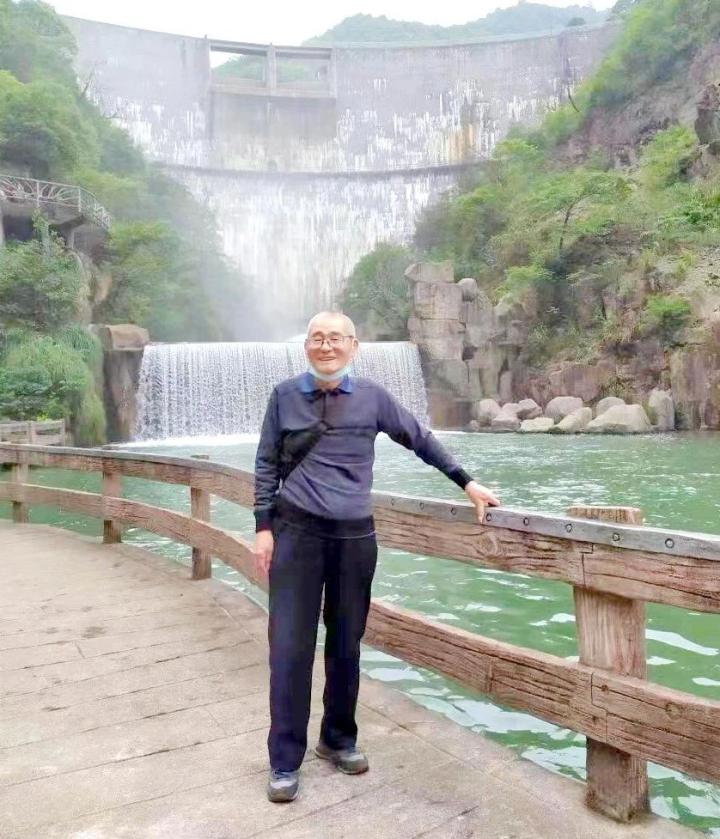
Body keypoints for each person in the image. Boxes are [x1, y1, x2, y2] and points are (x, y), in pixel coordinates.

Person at [254, 311, 501, 803]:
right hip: (296, 535)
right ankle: (284, 760)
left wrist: (467, 482)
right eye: (317, 338)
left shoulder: (373, 397)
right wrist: (263, 527)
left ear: (354, 345)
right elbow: (265, 463)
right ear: (306, 346)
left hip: (354, 538)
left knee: (346, 643)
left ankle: (337, 740)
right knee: (290, 648)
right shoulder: (283, 396)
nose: (326, 346)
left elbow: (419, 439)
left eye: (335, 338)